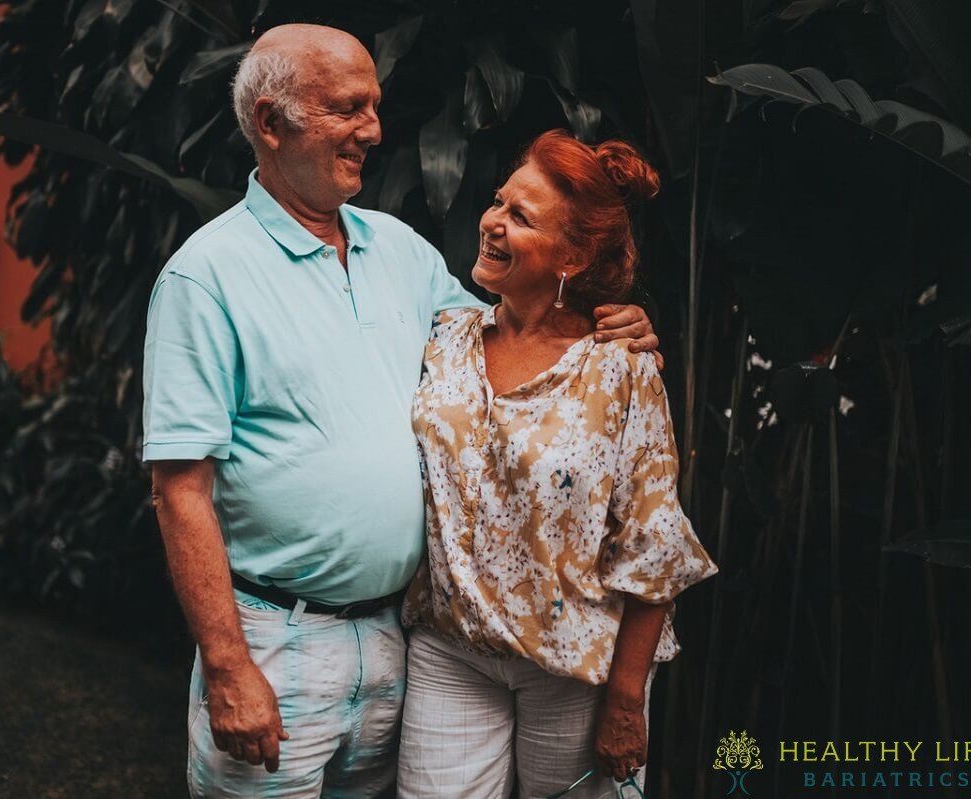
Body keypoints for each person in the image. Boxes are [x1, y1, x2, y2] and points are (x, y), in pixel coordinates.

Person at [142, 25, 661, 799]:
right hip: (275, 643)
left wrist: (609, 324)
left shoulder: (401, 252)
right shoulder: (206, 277)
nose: (375, 131)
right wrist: (227, 663)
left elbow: (513, 340)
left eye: (374, 107)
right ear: (272, 124)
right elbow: (179, 487)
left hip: (399, 645)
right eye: (348, 108)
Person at [396, 131, 718, 799]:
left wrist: (626, 702)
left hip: (579, 671)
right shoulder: (447, 338)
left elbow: (653, 545)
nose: (492, 222)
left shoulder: (620, 367)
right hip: (452, 650)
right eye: (497, 202)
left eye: (520, 217)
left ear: (571, 254)